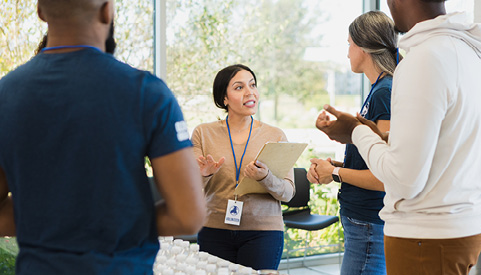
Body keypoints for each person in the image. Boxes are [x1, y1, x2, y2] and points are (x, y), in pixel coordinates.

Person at [0, 0, 206, 274]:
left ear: (40, 10)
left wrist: (52, 219)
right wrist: (111, 219)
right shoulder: (148, 94)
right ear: (107, 9)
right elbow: (188, 216)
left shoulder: (5, 95)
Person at [315, 1, 481, 274]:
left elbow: (403, 179)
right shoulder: (472, 50)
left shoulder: (424, 58)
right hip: (463, 225)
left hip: (427, 234)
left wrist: (356, 132)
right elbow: (442, 141)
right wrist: (381, 137)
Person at [307, 11, 399, 275]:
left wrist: (335, 173)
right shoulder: (378, 90)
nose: (347, 52)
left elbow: (384, 176)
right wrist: (333, 167)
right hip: (363, 222)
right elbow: (373, 158)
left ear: (364, 47)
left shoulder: (384, 93)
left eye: (349, 44)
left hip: (369, 223)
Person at [191, 64, 295, 270]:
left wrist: (265, 177)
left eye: (253, 85)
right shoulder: (203, 133)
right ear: (224, 99)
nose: (250, 92)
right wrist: (203, 175)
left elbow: (288, 193)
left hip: (263, 233)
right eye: (239, 87)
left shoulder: (275, 136)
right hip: (214, 229)